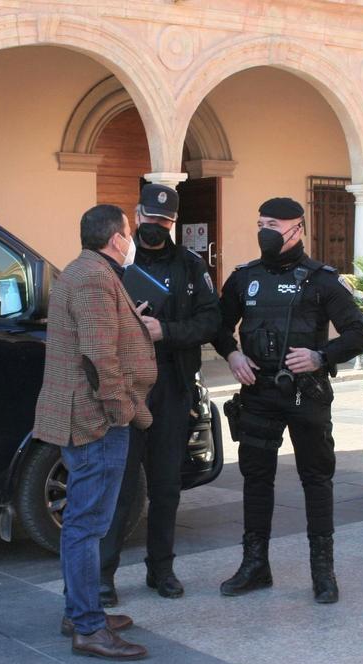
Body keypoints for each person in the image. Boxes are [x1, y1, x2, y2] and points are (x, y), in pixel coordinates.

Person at [213, 197, 363, 604]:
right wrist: (231, 354)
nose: (265, 230)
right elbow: (217, 325)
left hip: (306, 394)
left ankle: (323, 571)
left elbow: (358, 333)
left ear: (297, 229)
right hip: (258, 393)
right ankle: (255, 565)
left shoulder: (321, 280)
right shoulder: (245, 278)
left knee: (316, 479)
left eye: (275, 224)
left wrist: (321, 356)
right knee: (256, 477)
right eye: (261, 221)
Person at [32, 204, 157, 661]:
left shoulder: (90, 272)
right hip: (95, 420)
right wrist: (121, 410)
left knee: (86, 524)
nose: (131, 240)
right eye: (128, 232)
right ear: (115, 238)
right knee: (86, 526)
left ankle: (78, 611)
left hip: (90, 415)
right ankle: (87, 626)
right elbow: (98, 356)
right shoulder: (92, 277)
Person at [100, 184, 221, 605]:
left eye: (165, 221)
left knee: (167, 485)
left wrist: (165, 331)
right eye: (150, 219)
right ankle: (103, 576)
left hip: (171, 386)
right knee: (120, 485)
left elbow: (212, 322)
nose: (157, 227)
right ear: (136, 216)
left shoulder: (191, 267)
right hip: (126, 389)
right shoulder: (113, 266)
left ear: (175, 222)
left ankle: (161, 570)